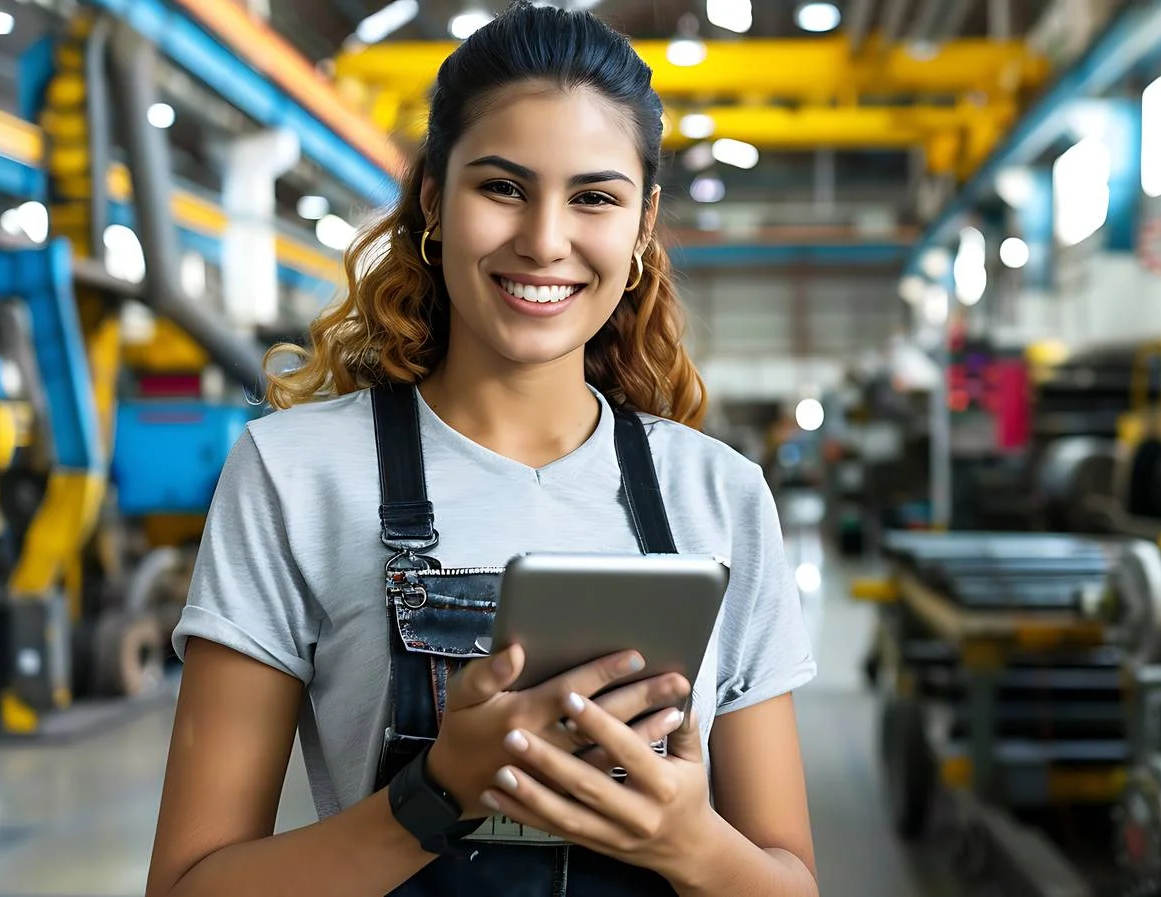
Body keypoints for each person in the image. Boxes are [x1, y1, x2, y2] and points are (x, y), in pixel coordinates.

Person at [143, 4, 819, 895]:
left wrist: (690, 839)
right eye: (501, 187)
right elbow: (189, 886)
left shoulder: (719, 495)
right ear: (432, 197)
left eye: (594, 197)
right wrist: (435, 794)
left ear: (643, 223)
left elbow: (791, 882)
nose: (544, 240)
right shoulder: (294, 475)